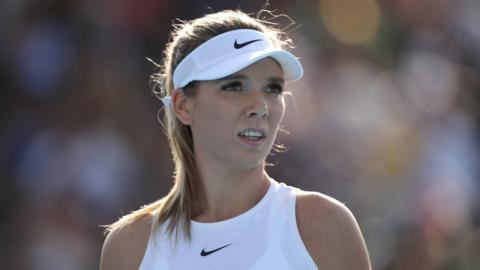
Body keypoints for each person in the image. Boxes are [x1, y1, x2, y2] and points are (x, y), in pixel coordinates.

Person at [100, 8, 371, 270]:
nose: (260, 106)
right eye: (234, 86)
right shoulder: (130, 246)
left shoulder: (323, 225)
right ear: (183, 105)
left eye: (272, 88)